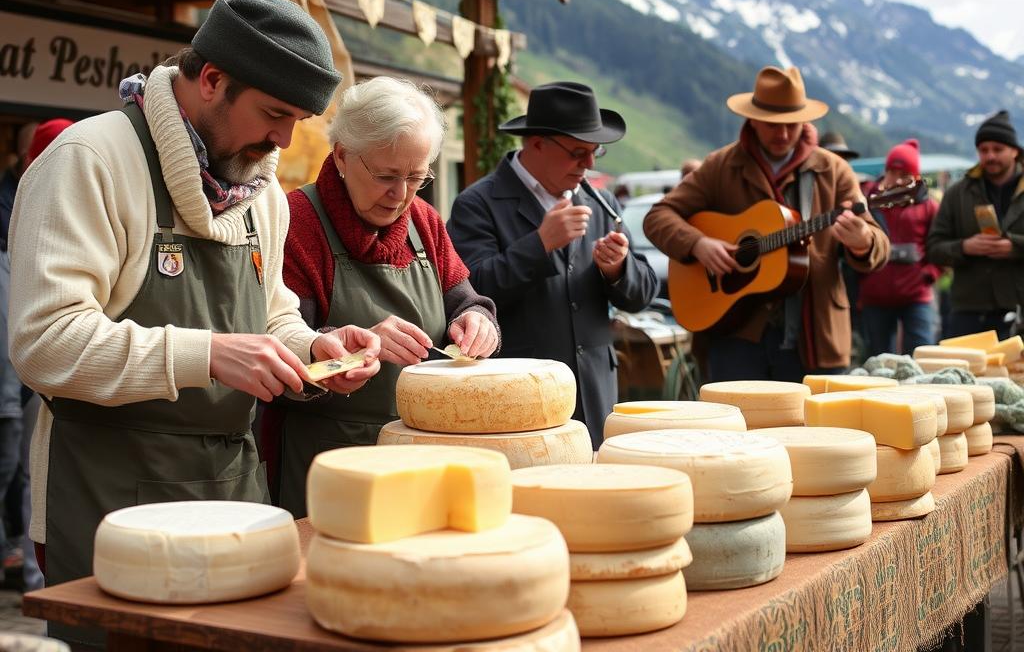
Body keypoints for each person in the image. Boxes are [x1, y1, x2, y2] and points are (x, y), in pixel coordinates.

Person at [8, 0, 381, 645]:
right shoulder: (89, 162)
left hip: (234, 492)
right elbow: (44, 342)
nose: (283, 141)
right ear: (211, 79)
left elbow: (272, 316)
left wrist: (316, 349)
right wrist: (205, 354)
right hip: (109, 498)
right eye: (274, 113)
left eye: (297, 119)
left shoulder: (260, 192)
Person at [275, 76, 499, 517]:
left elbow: (465, 300)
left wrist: (479, 323)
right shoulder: (295, 222)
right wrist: (348, 347)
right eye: (385, 175)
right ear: (341, 156)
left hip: (425, 456)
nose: (400, 195)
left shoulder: (425, 221)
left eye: (416, 177)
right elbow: (282, 359)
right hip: (334, 465)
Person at [644, 66, 889, 381]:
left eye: (792, 125)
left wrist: (862, 241)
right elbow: (658, 216)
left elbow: (878, 245)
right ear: (752, 118)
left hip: (814, 336)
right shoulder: (721, 166)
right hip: (735, 336)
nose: (783, 135)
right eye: (773, 125)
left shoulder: (834, 171)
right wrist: (698, 244)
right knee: (734, 427)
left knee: (814, 430)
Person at [448, 82, 658, 447]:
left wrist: (619, 269)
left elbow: (642, 293)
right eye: (578, 152)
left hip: (595, 396)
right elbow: (471, 290)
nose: (589, 164)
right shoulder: (477, 202)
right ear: (537, 143)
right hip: (521, 397)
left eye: (595, 152)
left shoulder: (602, 201)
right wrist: (540, 244)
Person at [0, 119, 68, 593]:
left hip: (37, 382)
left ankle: (32, 575)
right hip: (22, 377)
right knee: (21, 466)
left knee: (30, 469)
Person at [927, 110, 1024, 338]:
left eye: (998, 149)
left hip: (1019, 307)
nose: (990, 156)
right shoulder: (957, 193)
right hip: (968, 312)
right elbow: (934, 249)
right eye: (983, 150)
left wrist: (1015, 247)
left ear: (1014, 151)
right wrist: (964, 247)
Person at [858, 139, 941, 355]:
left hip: (916, 295)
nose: (897, 179)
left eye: (905, 174)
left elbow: (940, 243)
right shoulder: (867, 203)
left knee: (922, 356)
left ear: (916, 178)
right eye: (892, 172)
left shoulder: (929, 206)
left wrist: (929, 274)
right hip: (874, 296)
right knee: (878, 362)